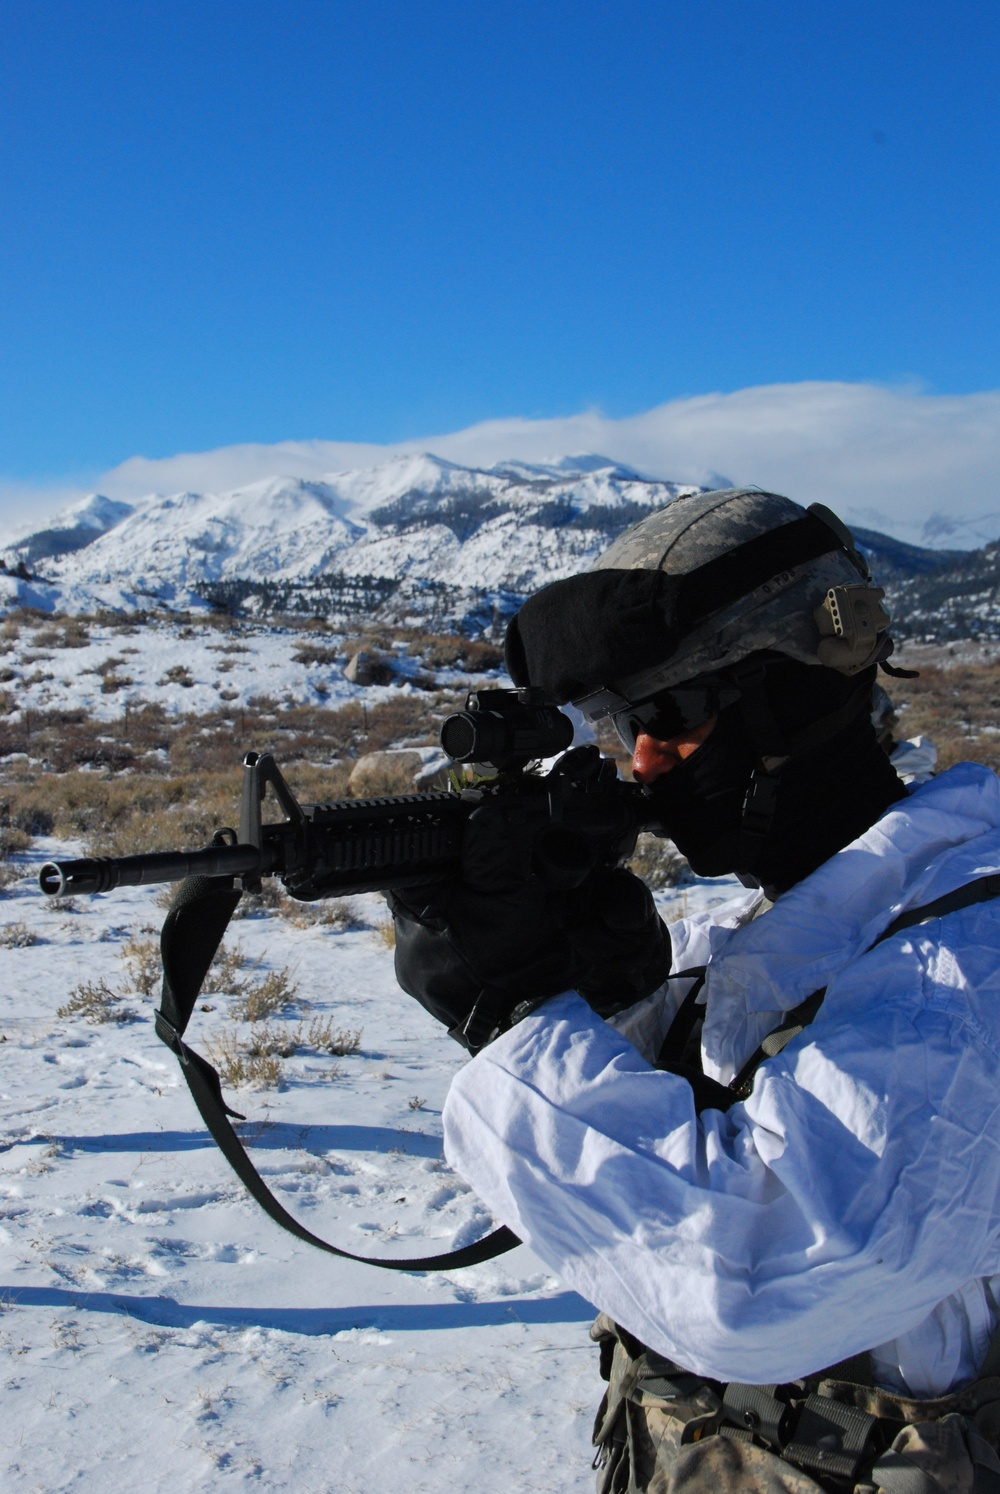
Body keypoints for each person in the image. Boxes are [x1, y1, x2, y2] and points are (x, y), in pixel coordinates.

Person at [389, 488, 1000, 1493]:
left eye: (669, 715)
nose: (639, 760)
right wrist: (604, 980)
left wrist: (518, 1019)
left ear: (796, 692)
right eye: (616, 722)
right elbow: (673, 1138)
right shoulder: (764, 932)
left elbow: (756, 1278)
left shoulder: (961, 969)